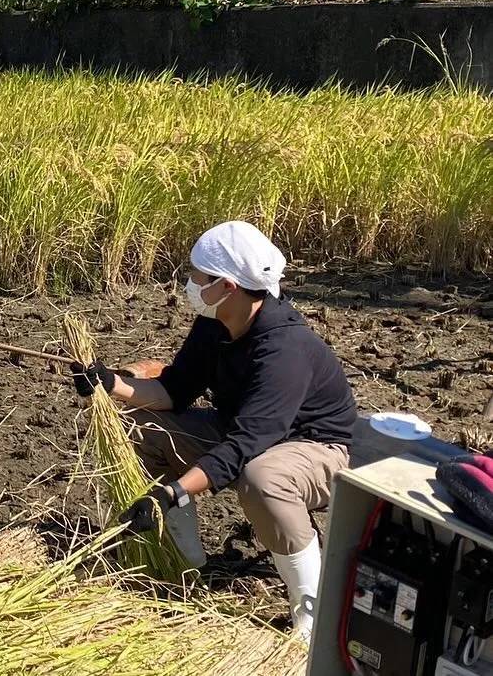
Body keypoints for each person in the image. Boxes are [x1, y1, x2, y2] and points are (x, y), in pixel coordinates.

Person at [70, 220, 356, 642]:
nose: (188, 283)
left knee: (264, 478)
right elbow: (175, 390)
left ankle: (311, 616)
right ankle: (184, 563)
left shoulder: (283, 350)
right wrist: (111, 383)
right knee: (137, 427)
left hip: (313, 449)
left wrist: (172, 491)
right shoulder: (215, 323)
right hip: (245, 433)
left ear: (226, 286)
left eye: (196, 276)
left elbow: (246, 446)